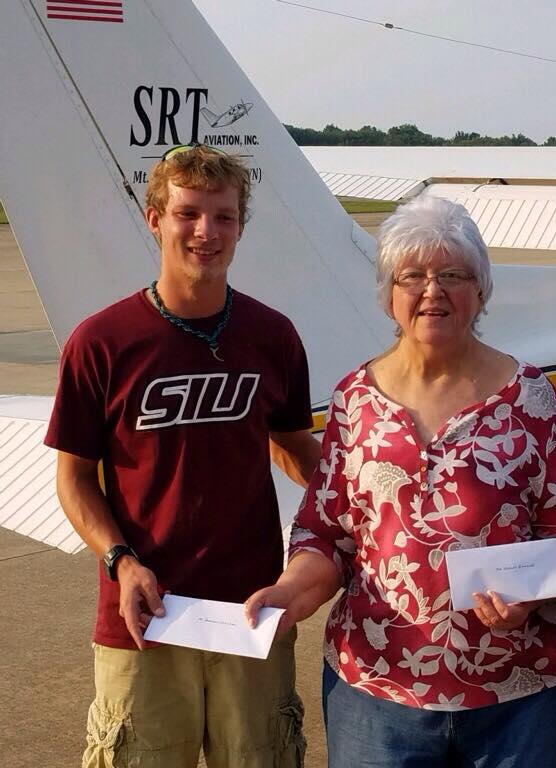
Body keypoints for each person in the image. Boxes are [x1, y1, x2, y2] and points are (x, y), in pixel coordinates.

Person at [244, 195, 556, 768]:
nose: (432, 290)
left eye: (453, 275)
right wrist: (291, 591)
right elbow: (327, 533)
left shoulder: (528, 399)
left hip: (524, 697)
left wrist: (532, 594)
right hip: (378, 693)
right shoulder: (355, 401)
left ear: (480, 291)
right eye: (411, 275)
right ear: (389, 294)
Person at [46, 144, 321, 768]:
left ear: (240, 227)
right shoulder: (101, 342)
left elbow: (293, 445)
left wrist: (373, 503)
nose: (207, 232)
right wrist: (120, 563)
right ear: (155, 219)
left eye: (224, 217)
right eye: (188, 214)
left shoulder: (272, 336)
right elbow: (73, 480)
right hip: (145, 615)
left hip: (250, 610)